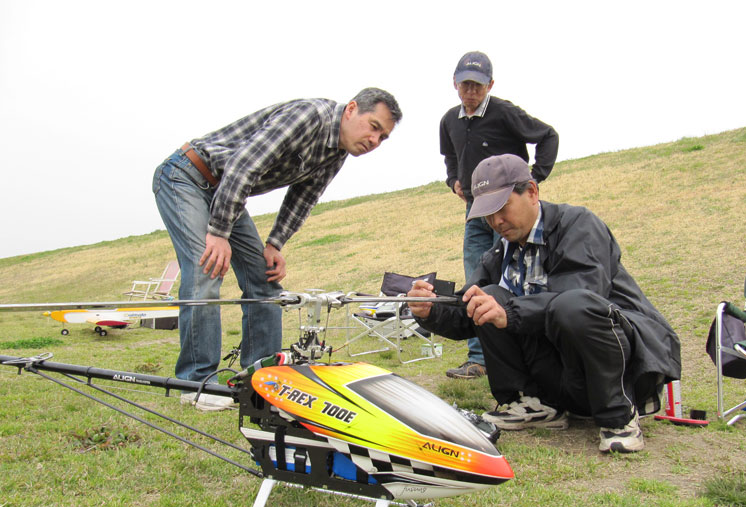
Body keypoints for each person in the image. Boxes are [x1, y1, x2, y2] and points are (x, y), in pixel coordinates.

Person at [408, 154, 681, 453]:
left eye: (502, 208)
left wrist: (509, 313)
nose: (496, 222)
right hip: (561, 374)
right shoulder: (501, 251)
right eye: (487, 214)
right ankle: (535, 404)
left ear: (532, 192)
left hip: (622, 369)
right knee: (488, 297)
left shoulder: (579, 225)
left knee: (572, 306)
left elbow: (584, 294)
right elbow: (468, 308)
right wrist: (431, 311)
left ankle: (619, 415)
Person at [153, 88, 402, 411]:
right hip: (186, 176)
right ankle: (195, 383)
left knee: (265, 281)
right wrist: (218, 232)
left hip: (224, 190)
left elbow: (304, 198)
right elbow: (244, 166)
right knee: (206, 270)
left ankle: (261, 381)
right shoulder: (308, 117)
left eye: (383, 137)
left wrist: (275, 244)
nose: (374, 140)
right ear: (351, 109)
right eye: (373, 127)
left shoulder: (336, 152)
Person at [439, 51, 559, 380]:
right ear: (454, 83)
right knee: (476, 280)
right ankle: (479, 359)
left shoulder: (505, 113)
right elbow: (450, 156)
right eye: (465, 84)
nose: (471, 91)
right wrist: (453, 180)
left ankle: (520, 350)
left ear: (490, 85)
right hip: (474, 210)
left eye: (478, 85)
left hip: (506, 209)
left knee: (509, 275)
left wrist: (534, 178)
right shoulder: (449, 120)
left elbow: (548, 135)